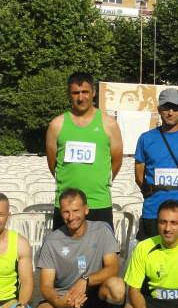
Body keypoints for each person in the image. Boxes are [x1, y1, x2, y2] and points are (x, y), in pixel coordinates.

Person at [34, 188, 126, 308]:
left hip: (94, 293)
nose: (71, 217)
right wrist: (60, 301)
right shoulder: (52, 241)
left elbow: (112, 269)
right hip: (65, 296)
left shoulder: (102, 230)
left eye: (76, 210)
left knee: (117, 286)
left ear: (86, 209)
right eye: (66, 212)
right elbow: (46, 286)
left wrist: (85, 280)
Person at [46, 71, 123, 230]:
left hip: (98, 203)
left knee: (102, 247)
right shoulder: (56, 125)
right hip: (67, 206)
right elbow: (52, 163)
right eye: (76, 93)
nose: (81, 98)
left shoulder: (109, 124)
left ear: (93, 92)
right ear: (69, 94)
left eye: (85, 92)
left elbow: (116, 161)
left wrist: (99, 182)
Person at [135, 87, 178, 240]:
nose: (170, 112)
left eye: (175, 108)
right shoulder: (145, 138)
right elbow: (139, 174)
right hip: (153, 211)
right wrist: (151, 191)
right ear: (159, 109)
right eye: (166, 108)